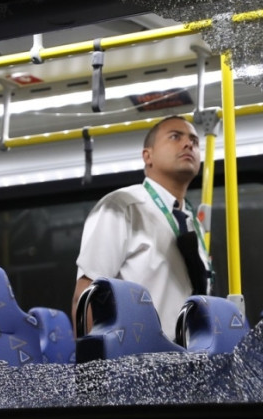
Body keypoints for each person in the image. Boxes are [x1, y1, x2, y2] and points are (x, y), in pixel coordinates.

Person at [72, 115, 212, 340]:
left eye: (194, 141)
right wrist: (94, 371)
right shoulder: (121, 206)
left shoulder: (190, 221)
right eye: (175, 137)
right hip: (136, 360)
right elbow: (86, 295)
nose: (188, 144)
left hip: (189, 359)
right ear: (148, 156)